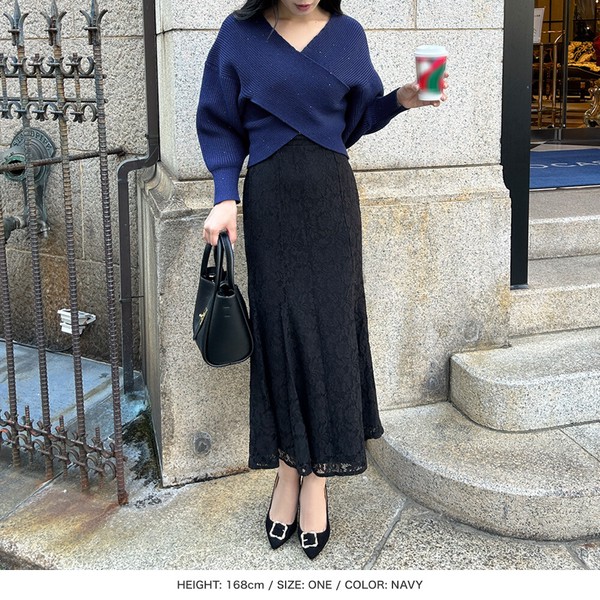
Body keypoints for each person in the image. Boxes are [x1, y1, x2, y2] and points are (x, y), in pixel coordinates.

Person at [196, 0, 448, 560]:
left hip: (331, 199)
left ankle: (317, 479)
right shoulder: (239, 35)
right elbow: (218, 119)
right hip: (270, 200)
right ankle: (288, 468)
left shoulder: (346, 34)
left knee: (331, 334)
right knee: (282, 334)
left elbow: (357, 121)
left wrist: (402, 99)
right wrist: (224, 195)